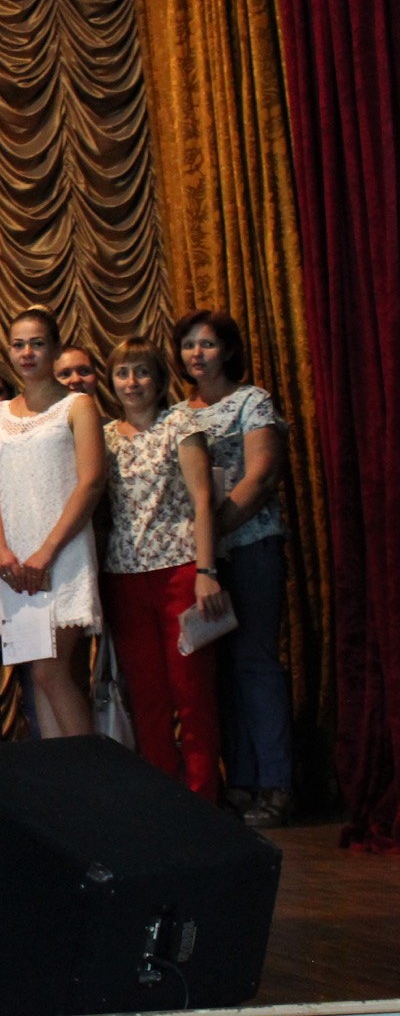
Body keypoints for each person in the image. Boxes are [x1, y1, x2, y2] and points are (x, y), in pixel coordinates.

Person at [176, 310, 294, 826]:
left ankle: (276, 783)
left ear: (227, 350)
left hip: (251, 547)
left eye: (206, 344)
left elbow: (261, 476)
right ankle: (240, 781)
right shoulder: (177, 414)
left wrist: (213, 528)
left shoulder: (252, 401)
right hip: (200, 561)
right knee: (217, 671)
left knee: (255, 663)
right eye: (188, 345)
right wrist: (201, 548)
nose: (196, 354)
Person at [102, 336, 226, 798]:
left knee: (192, 693)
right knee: (147, 696)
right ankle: (165, 803)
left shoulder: (180, 424)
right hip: (124, 577)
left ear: (158, 379)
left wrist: (206, 572)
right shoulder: (105, 437)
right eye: (122, 373)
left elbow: (202, 499)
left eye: (142, 372)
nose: (132, 382)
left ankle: (203, 798)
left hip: (181, 571)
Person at [0, 307, 104, 737]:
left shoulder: (77, 405)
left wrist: (47, 551)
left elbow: (91, 482)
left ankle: (91, 771)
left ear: (54, 348)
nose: (27, 353)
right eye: (18, 345)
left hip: (61, 553)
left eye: (37, 344)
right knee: (37, 674)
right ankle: (60, 772)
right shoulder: (0, 414)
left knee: (53, 670)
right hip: (14, 561)